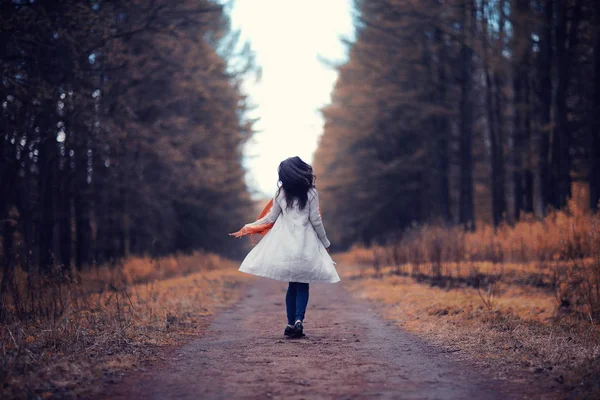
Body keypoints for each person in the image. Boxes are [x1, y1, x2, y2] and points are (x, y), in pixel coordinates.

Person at [230, 156, 340, 338]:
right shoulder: (311, 193)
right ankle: (299, 320)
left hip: (286, 245)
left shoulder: (281, 193)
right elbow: (316, 220)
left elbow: (270, 218)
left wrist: (250, 226)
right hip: (306, 244)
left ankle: (290, 324)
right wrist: (325, 242)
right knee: (303, 284)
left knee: (292, 285)